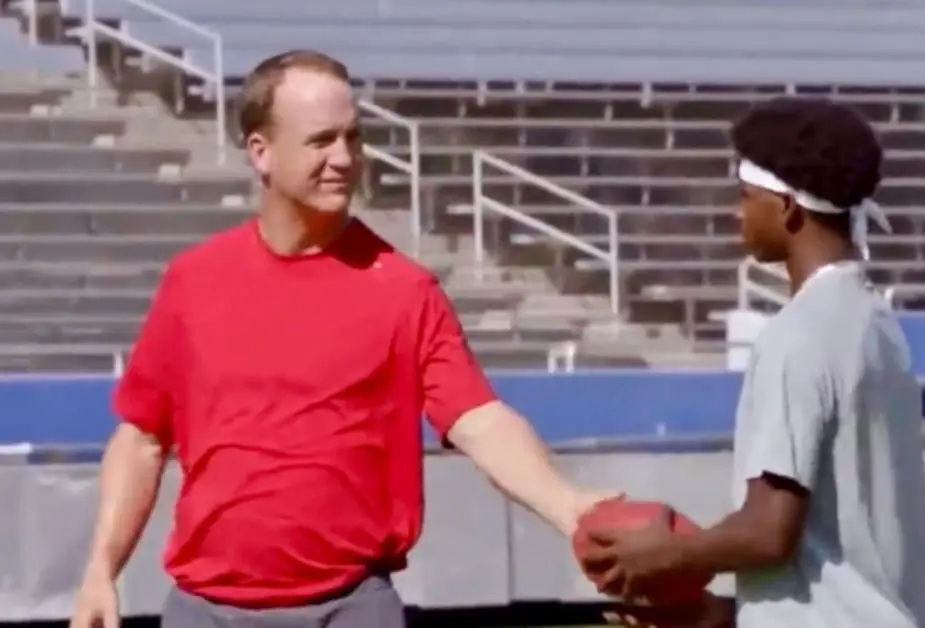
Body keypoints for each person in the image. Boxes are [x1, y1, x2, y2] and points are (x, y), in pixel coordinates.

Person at [68, 49, 614, 628]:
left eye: (353, 138)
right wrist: (100, 570)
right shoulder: (193, 282)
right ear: (261, 153)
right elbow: (142, 439)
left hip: (352, 609)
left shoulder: (404, 289)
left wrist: (568, 504)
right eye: (321, 140)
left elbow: (477, 419)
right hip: (204, 612)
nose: (344, 158)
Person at [581, 98, 925, 628]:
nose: (737, 212)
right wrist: (720, 615)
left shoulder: (797, 335)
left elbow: (769, 530)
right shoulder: (879, 327)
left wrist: (666, 555)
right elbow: (840, 550)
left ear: (787, 208)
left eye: (747, 197)